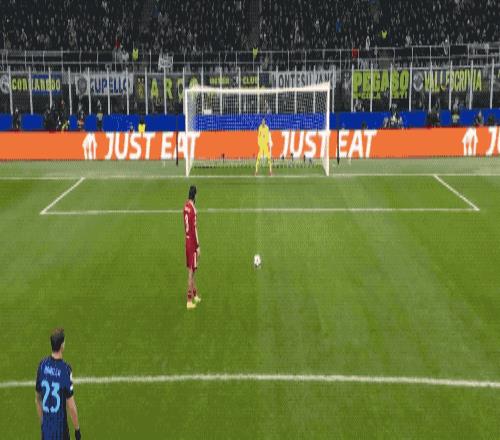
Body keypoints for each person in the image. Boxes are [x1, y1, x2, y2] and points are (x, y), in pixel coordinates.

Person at [35, 328, 81, 440]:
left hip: (46, 432)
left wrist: (43, 423)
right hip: (60, 432)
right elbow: (71, 406)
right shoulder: (65, 370)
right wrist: (77, 430)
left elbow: (37, 399)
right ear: (62, 346)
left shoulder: (42, 365)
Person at [183, 185, 201, 309]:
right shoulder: (193, 210)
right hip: (192, 243)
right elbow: (194, 229)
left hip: (187, 239)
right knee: (191, 271)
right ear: (195, 195)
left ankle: (195, 294)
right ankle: (189, 300)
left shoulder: (185, 206)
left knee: (193, 269)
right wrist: (198, 246)